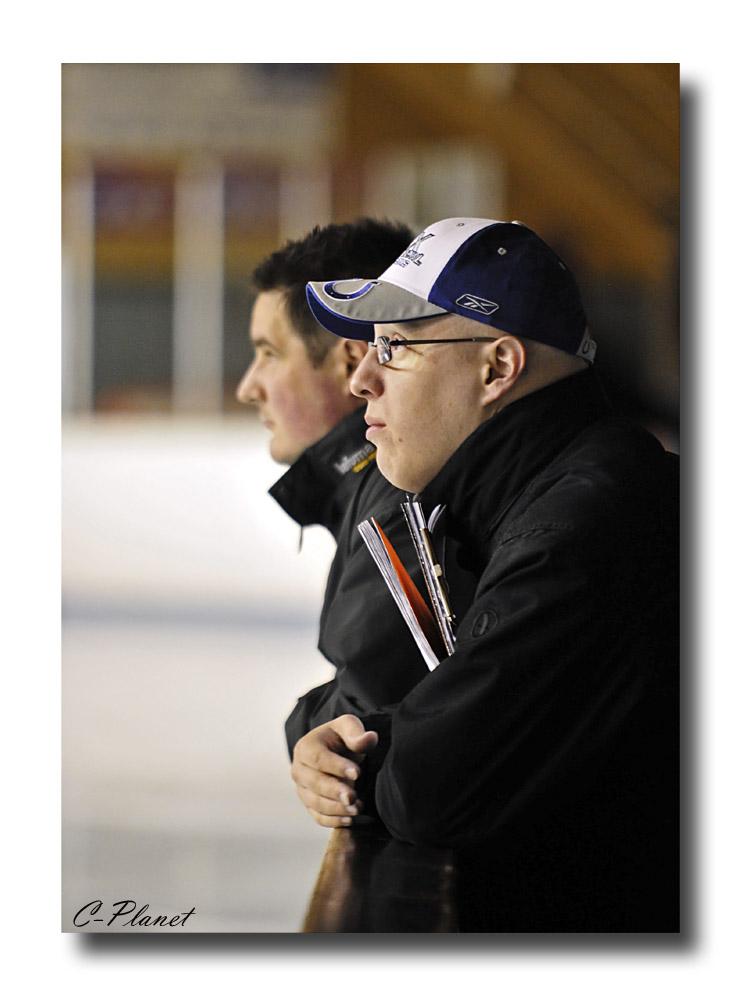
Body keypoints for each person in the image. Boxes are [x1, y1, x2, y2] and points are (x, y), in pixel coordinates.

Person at [297, 217, 679, 931]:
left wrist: (359, 756)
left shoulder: (583, 525)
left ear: (496, 369)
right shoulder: (507, 500)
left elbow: (438, 781)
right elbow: (399, 702)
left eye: (395, 347)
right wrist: (331, 736)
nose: (360, 380)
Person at [236, 219, 434, 829]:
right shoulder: (375, 488)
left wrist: (305, 727)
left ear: (351, 354)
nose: (249, 388)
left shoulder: (395, 499)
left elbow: (362, 717)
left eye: (269, 354)